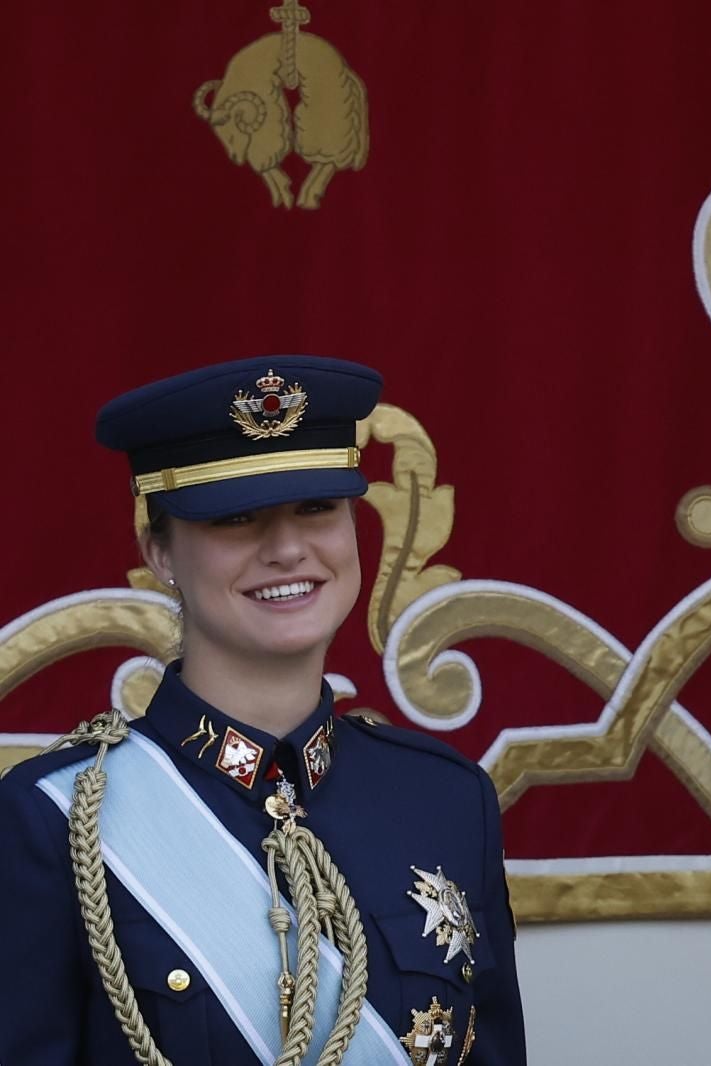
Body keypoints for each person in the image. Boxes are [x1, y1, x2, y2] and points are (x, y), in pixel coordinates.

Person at [0, 356, 523, 1065]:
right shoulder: (55, 821)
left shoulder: (448, 798)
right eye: (235, 518)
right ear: (160, 552)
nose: (286, 549)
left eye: (317, 508)